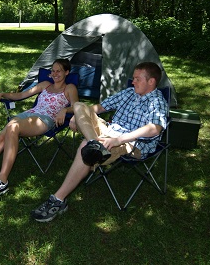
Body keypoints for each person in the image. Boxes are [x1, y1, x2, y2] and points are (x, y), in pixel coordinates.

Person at [30, 61, 168, 222]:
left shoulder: (157, 101)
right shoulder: (130, 93)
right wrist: (78, 116)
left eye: (137, 79)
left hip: (132, 143)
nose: (133, 82)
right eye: (133, 78)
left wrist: (118, 139)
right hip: (109, 132)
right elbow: (101, 107)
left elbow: (155, 128)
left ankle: (58, 199)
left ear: (151, 82)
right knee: (80, 106)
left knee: (85, 147)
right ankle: (94, 143)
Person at [0, 58, 79, 200]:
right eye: (53, 70)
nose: (55, 74)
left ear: (66, 72)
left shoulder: (69, 88)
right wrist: (3, 94)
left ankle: (2, 179)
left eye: (59, 71)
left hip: (45, 119)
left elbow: (76, 106)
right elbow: (21, 95)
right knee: (1, 137)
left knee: (12, 127)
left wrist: (64, 110)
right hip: (28, 115)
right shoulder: (45, 84)